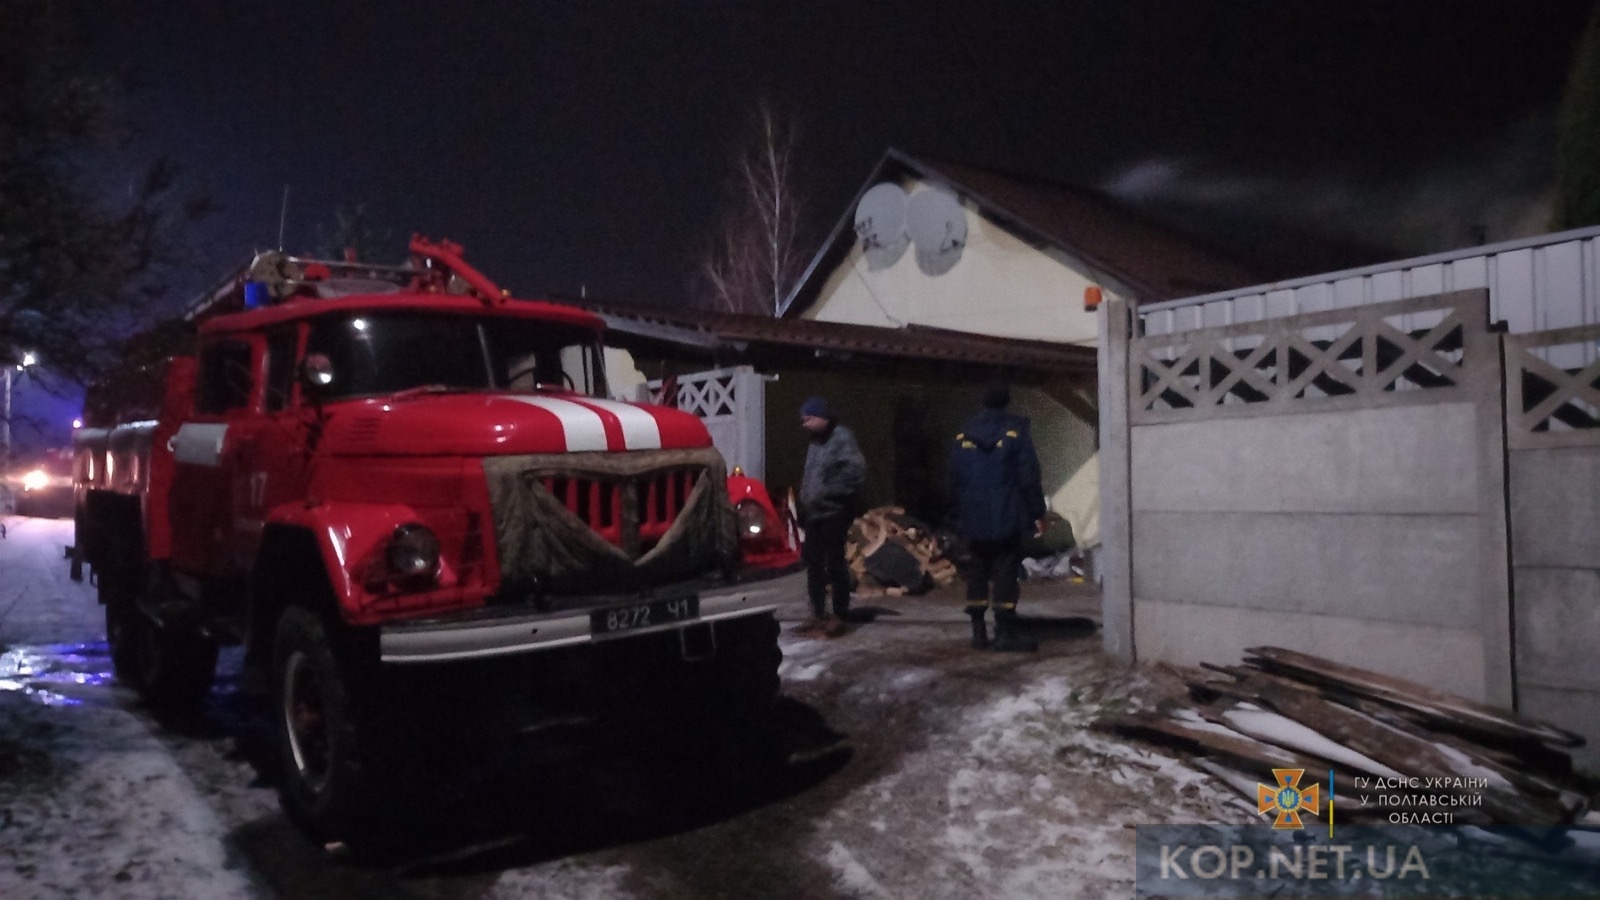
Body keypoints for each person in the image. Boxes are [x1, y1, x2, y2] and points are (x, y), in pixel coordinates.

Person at [949, 380, 1046, 652]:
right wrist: (1037, 512)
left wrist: (958, 514)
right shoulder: (1016, 432)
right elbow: (1028, 476)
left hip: (973, 515)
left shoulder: (963, 435)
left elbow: (954, 479)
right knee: (1005, 571)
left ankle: (978, 632)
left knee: (977, 569)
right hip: (1008, 514)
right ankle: (1004, 632)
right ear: (1007, 401)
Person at [797, 396, 867, 637]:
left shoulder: (842, 438)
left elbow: (855, 471)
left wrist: (828, 491)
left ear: (822, 417)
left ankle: (840, 613)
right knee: (813, 562)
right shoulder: (815, 441)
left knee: (834, 561)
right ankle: (818, 613)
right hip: (815, 512)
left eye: (808, 419)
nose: (804, 424)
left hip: (835, 511)